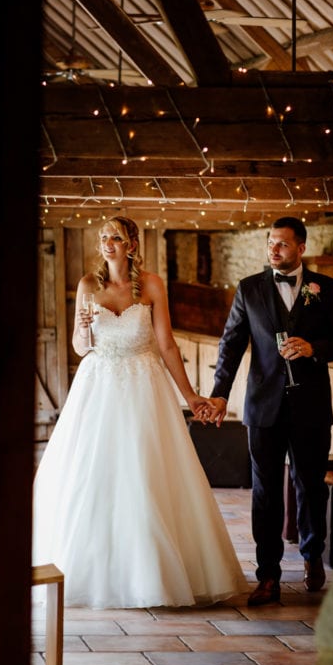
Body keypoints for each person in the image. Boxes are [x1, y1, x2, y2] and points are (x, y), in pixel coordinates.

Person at [32, 216, 247, 609]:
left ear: (131, 244)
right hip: (98, 390)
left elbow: (165, 344)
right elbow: (83, 348)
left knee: (145, 475)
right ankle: (94, 571)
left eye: (115, 237)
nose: (107, 243)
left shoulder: (151, 285)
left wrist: (190, 395)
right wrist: (82, 327)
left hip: (144, 389)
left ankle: (153, 575)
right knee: (93, 475)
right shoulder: (87, 286)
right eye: (103, 237)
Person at [201, 216, 333, 605]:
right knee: (265, 493)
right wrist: (219, 393)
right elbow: (230, 345)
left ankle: (312, 555)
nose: (274, 250)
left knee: (311, 487)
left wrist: (314, 348)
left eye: (282, 244)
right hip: (263, 406)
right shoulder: (249, 288)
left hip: (312, 406)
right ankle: (267, 575)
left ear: (301, 247)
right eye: (270, 243)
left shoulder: (327, 288)